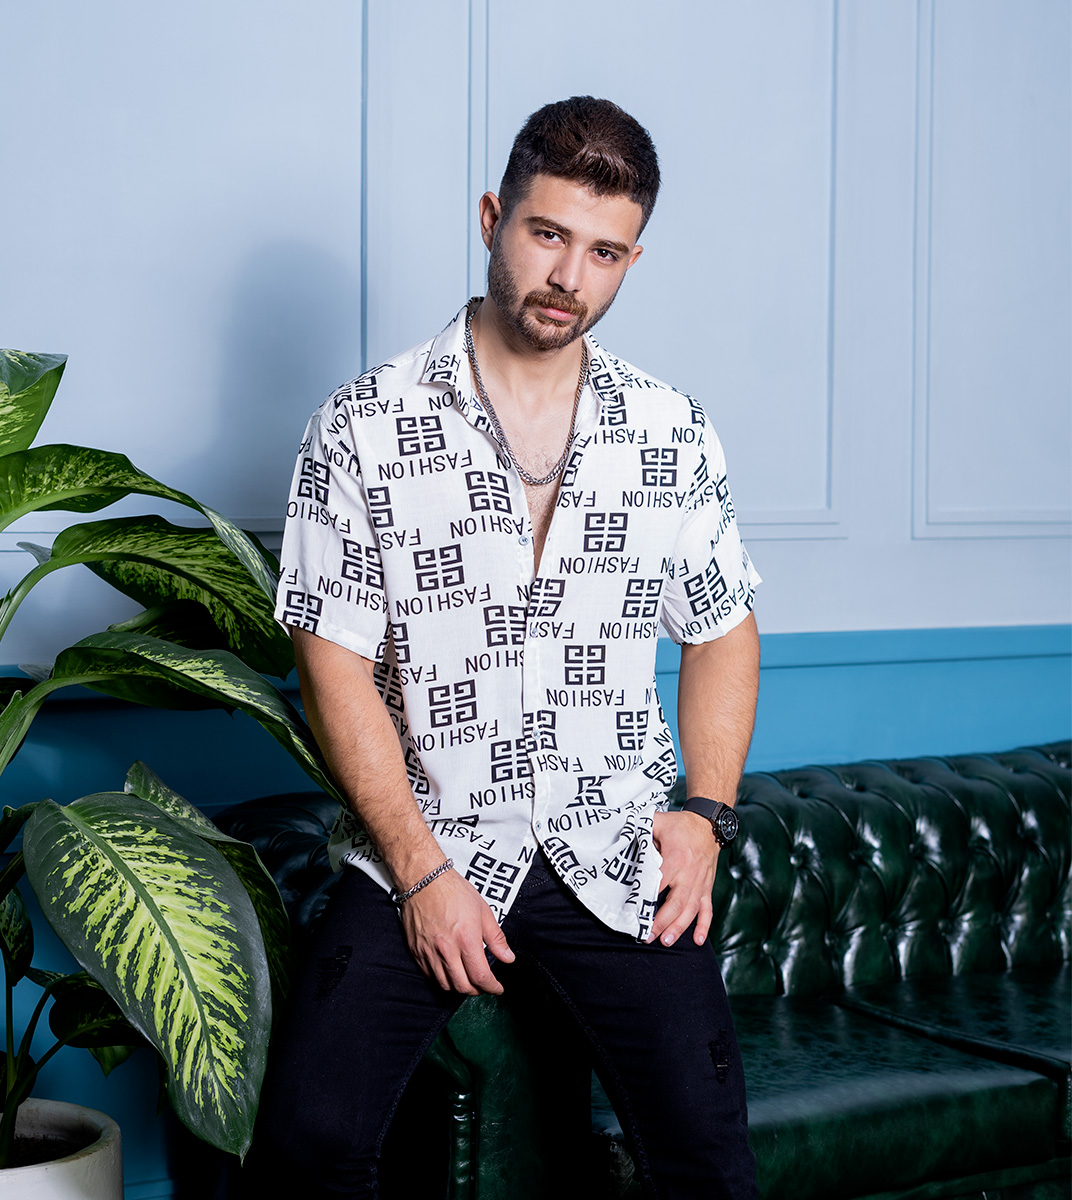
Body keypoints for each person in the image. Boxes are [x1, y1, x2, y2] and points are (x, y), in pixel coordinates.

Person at [262, 95, 761, 1198]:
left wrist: (706, 813)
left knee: (710, 1158)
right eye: (547, 234)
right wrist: (419, 872)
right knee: (307, 1141)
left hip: (615, 841)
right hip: (430, 836)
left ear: (632, 260)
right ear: (493, 218)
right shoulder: (363, 425)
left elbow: (724, 627)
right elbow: (332, 662)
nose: (568, 277)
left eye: (604, 252)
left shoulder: (671, 431)